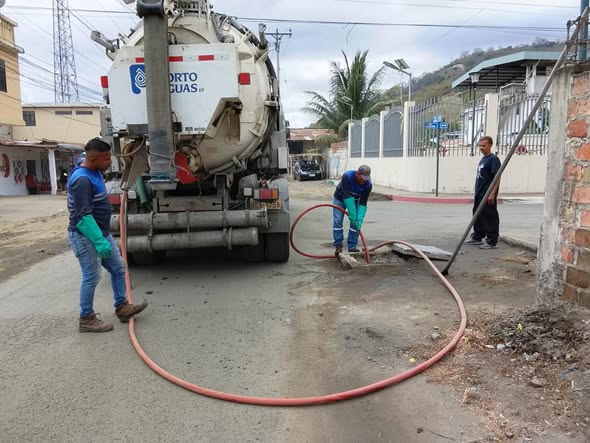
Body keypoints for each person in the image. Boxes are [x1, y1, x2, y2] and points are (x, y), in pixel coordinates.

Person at [67, 137, 147, 332]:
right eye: (106, 159)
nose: (110, 162)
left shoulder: (91, 168)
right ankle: (86, 318)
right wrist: (99, 241)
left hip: (100, 233)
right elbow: (83, 217)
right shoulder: (82, 181)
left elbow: (82, 158)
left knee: (119, 268)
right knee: (92, 276)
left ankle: (122, 307)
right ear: (93, 159)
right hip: (85, 236)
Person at [465, 136, 501, 250]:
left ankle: (492, 241)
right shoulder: (484, 159)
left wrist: (492, 194)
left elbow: (497, 177)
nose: (481, 148)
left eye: (483, 145)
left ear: (490, 145)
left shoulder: (493, 159)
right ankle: (477, 236)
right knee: (478, 215)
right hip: (479, 193)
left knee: (490, 217)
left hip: (487, 194)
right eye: (480, 145)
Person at [333, 165, 372, 255]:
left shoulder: (368, 184)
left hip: (355, 199)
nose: (364, 181)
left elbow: (363, 203)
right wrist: (353, 216)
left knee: (356, 223)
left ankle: (352, 247)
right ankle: (338, 245)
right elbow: (347, 197)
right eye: (362, 178)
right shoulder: (347, 176)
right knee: (338, 221)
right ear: (357, 174)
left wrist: (359, 219)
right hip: (340, 198)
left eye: (366, 179)